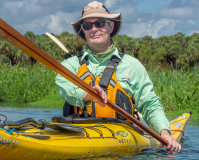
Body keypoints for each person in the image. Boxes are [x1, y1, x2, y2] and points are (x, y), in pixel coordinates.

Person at [55, 1, 180, 153]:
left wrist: (164, 133)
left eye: (100, 23)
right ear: (83, 30)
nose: (94, 29)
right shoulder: (69, 66)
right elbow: (65, 87)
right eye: (88, 26)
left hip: (121, 138)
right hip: (78, 134)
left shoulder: (132, 65)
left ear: (111, 26)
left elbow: (149, 104)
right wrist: (87, 95)